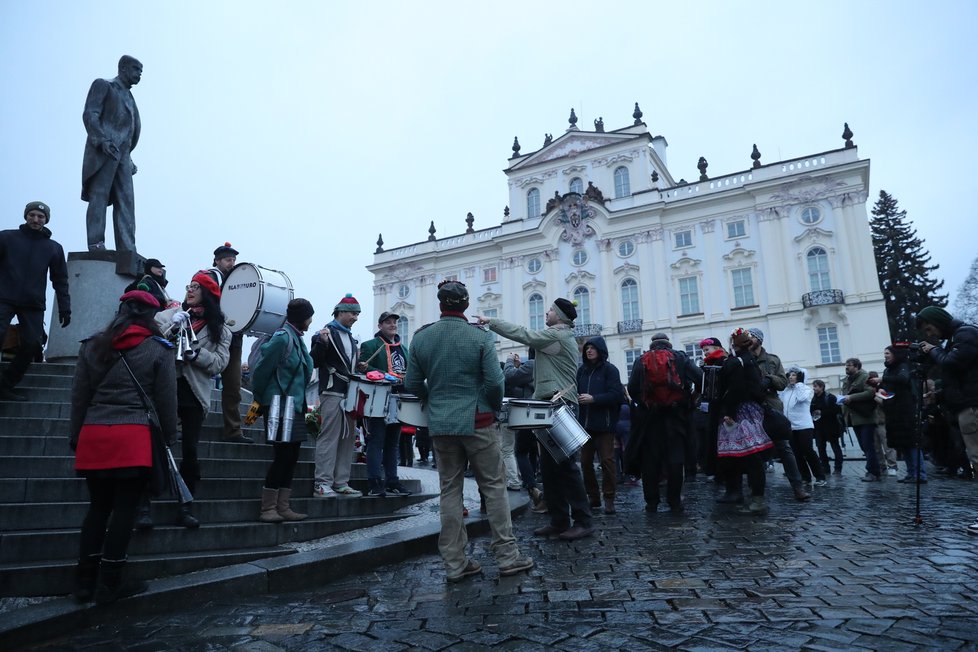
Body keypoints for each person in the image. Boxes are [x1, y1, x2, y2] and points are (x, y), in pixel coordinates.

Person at [405, 280, 534, 581]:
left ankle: (455, 562)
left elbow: (411, 384)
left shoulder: (422, 338)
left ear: (441, 305)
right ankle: (507, 555)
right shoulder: (479, 337)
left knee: (450, 490)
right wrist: (489, 407)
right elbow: (495, 383)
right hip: (478, 421)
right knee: (494, 488)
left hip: (441, 425)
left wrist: (432, 398)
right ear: (464, 305)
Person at [69, 290, 176, 605]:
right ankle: (111, 580)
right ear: (149, 316)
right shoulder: (158, 349)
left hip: (94, 433)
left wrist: (76, 435)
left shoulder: (92, 346)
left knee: (97, 509)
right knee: (125, 510)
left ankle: (84, 582)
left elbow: (79, 396)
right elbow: (166, 401)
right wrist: (170, 439)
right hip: (134, 436)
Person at [478, 298, 594, 541]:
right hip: (549, 403)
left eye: (551, 310)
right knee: (550, 468)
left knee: (566, 467)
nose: (547, 312)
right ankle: (559, 520)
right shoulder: (558, 337)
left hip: (559, 404)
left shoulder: (558, 335)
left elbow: (525, 335)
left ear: (560, 316)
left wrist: (492, 322)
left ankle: (583, 521)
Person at [152, 272, 231, 528]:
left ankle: (186, 504)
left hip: (194, 393)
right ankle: (143, 501)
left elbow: (219, 364)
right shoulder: (167, 316)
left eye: (197, 287)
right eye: (190, 285)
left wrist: (195, 353)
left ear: (207, 294)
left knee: (190, 451)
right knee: (153, 444)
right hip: (165, 387)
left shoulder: (221, 330)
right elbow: (151, 342)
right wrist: (172, 326)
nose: (191, 290)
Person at [915, 306, 978, 534]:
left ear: (938, 321)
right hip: (968, 405)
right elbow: (963, 377)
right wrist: (939, 395)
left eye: (929, 328)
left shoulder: (965, 334)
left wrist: (933, 351)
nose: (930, 334)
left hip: (973, 408)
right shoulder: (959, 336)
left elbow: (952, 363)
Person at [252, 299, 316, 523]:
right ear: (302, 317)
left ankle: (283, 506)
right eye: (309, 316)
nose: (311, 320)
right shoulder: (282, 338)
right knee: (282, 456)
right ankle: (268, 508)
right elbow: (260, 370)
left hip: (295, 405)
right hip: (279, 404)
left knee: (292, 457)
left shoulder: (297, 338)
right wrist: (261, 399)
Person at [0, 201, 71, 402]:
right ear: (26, 216)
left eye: (40, 216)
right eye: (32, 215)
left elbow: (60, 280)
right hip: (3, 297)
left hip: (33, 304)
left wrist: (65, 307)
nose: (36, 219)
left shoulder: (54, 248)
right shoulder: (6, 237)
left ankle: (5, 385)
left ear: (46, 220)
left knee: (32, 345)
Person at [627, 332, 701, 514]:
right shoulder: (680, 357)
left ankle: (652, 502)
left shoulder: (641, 359)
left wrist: (644, 404)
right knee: (675, 460)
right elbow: (700, 378)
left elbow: (632, 388)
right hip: (676, 416)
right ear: (668, 344)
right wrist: (691, 398)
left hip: (650, 418)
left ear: (652, 345)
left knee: (650, 462)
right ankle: (674, 501)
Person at [81, 56, 142, 253]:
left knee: (126, 202)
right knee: (99, 196)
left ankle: (127, 249)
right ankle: (96, 243)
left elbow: (129, 129)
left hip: (123, 155)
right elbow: (90, 114)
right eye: (135, 69)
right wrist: (102, 140)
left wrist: (129, 156)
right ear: (123, 68)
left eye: (141, 70)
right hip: (105, 150)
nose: (139, 73)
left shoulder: (131, 98)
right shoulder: (104, 85)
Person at [309, 294, 363, 498]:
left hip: (349, 393)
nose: (355, 318)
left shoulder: (350, 337)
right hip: (332, 391)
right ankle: (322, 483)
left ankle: (341, 482)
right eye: (352, 313)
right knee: (329, 437)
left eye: (357, 314)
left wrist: (359, 365)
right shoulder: (324, 333)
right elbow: (314, 361)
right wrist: (321, 343)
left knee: (348, 438)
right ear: (339, 312)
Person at [716, 328, 774, 515]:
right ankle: (748, 495)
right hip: (750, 410)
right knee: (745, 456)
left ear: (734, 344)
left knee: (750, 456)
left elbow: (736, 389)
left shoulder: (737, 362)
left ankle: (757, 499)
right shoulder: (749, 360)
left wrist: (729, 412)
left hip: (740, 414)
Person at [748, 328, 811, 501]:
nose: (749, 339)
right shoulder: (743, 359)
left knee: (784, 447)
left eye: (752, 336)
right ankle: (756, 491)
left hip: (771, 407)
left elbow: (783, 383)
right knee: (753, 450)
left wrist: (769, 379)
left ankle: (798, 487)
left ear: (759, 340)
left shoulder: (772, 360)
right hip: (751, 408)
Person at [359, 311, 412, 497]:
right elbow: (363, 367)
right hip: (377, 399)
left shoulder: (405, 349)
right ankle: (374, 483)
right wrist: (386, 375)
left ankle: (392, 481)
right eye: (388, 322)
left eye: (394, 322)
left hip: (398, 400)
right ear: (380, 325)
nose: (392, 325)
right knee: (376, 441)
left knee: (393, 443)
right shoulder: (370, 345)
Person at [202, 243, 251, 443]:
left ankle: (233, 430)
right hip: (212, 334)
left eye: (233, 260)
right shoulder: (209, 277)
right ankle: (183, 424)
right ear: (217, 261)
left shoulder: (237, 280)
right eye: (228, 259)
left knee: (233, 385)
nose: (232, 263)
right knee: (198, 378)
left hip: (234, 337)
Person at [577, 337, 624, 515]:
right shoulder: (581, 371)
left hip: (605, 425)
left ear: (600, 350)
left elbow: (616, 395)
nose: (589, 350)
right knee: (585, 462)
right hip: (585, 425)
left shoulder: (610, 370)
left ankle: (609, 498)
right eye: (587, 348)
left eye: (592, 348)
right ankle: (593, 497)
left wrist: (594, 399)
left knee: (607, 461)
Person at [878, 345, 925, 482]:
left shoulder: (903, 366)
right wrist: (882, 392)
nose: (885, 355)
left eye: (887, 353)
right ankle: (911, 473)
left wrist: (882, 380)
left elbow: (903, 379)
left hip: (906, 411)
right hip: (894, 411)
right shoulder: (888, 370)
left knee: (912, 443)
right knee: (904, 444)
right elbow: (890, 390)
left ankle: (919, 474)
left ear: (895, 354)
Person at [504, 349, 542, 509]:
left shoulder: (534, 364)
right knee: (535, 452)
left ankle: (532, 486)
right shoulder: (548, 364)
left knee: (521, 452)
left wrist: (509, 360)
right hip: (544, 413)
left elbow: (510, 377)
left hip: (530, 413)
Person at [779, 368, 827, 487]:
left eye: (794, 375)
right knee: (796, 453)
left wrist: (799, 384)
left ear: (800, 377)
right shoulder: (786, 391)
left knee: (808, 451)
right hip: (791, 427)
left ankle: (820, 476)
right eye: (789, 375)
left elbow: (801, 399)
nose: (791, 377)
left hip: (804, 426)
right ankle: (805, 477)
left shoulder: (806, 389)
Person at [839, 357, 882, 481]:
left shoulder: (865, 377)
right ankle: (876, 471)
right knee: (864, 446)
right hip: (854, 418)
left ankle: (872, 472)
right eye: (846, 365)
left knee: (868, 446)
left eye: (849, 365)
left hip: (866, 417)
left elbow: (871, 392)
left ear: (857, 366)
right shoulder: (847, 380)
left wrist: (851, 397)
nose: (846, 367)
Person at [811, 379, 845, 475]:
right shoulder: (813, 399)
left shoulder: (830, 397)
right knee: (821, 449)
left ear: (821, 387)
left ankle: (838, 468)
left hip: (831, 427)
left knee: (835, 447)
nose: (814, 388)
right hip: (818, 428)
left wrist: (822, 412)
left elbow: (836, 410)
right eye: (813, 386)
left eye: (816, 386)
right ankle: (825, 468)